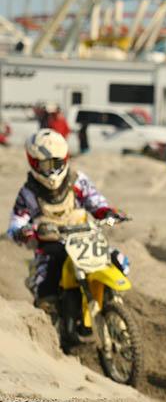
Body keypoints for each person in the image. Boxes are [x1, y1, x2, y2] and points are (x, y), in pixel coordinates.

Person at [7, 130, 129, 312]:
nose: (53, 170)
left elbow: (96, 203)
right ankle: (51, 324)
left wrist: (109, 215)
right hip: (51, 246)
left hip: (85, 240)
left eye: (57, 163)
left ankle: (113, 301)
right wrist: (22, 231)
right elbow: (17, 221)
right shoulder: (29, 193)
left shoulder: (78, 181)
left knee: (118, 259)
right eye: (46, 165)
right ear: (34, 163)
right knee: (45, 290)